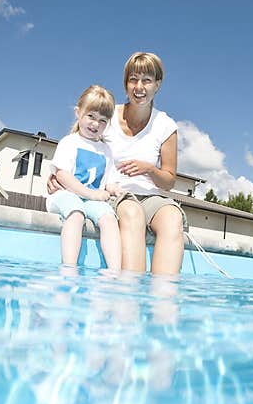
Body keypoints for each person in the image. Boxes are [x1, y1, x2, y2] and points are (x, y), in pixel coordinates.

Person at [48, 52, 185, 275]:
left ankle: (163, 300)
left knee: (173, 216)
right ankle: (129, 297)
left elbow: (169, 180)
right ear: (126, 83)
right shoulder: (108, 117)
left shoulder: (166, 125)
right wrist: (56, 175)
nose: (139, 87)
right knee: (132, 212)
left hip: (151, 196)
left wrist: (149, 169)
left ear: (157, 85)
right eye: (133, 79)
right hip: (116, 195)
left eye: (147, 80)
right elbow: (79, 142)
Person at [46, 85, 123, 270]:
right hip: (65, 195)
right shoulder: (69, 142)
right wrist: (91, 194)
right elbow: (62, 175)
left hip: (90, 200)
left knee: (109, 218)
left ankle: (113, 272)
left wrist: (113, 189)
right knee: (76, 213)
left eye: (102, 120)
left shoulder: (106, 150)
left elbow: (109, 180)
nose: (95, 124)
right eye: (91, 116)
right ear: (78, 113)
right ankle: (69, 268)